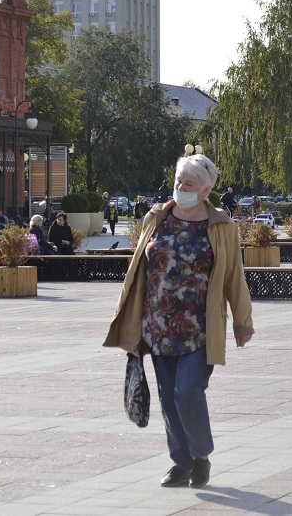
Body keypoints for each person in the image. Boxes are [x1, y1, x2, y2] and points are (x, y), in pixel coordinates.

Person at [104, 153, 254, 489]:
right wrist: (125, 317)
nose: (181, 189)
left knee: (188, 390)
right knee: (168, 397)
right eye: (178, 182)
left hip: (200, 326)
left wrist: (242, 322)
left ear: (205, 190)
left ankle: (201, 456)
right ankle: (181, 463)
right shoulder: (156, 217)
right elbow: (137, 270)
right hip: (157, 324)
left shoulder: (221, 226)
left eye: (189, 184)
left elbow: (234, 276)